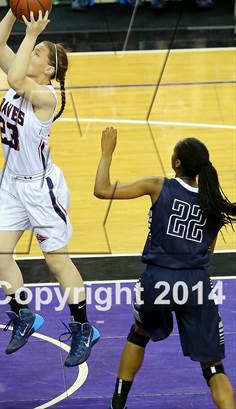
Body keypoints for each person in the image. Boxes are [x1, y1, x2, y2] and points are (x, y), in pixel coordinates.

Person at [0, 9, 100, 367]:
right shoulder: (24, 73)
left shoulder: (47, 96)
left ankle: (83, 327)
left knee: (56, 261)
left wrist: (34, 34)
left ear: (50, 69)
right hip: (11, 183)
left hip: (40, 188)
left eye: (37, 53)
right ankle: (24, 315)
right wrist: (13, 8)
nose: (31, 53)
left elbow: (17, 79)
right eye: (32, 50)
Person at [94, 127, 236, 409]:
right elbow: (207, 252)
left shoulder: (158, 186)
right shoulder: (214, 206)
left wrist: (107, 152)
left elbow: (102, 190)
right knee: (213, 367)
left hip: (158, 280)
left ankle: (117, 404)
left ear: (177, 163)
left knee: (139, 333)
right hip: (195, 284)